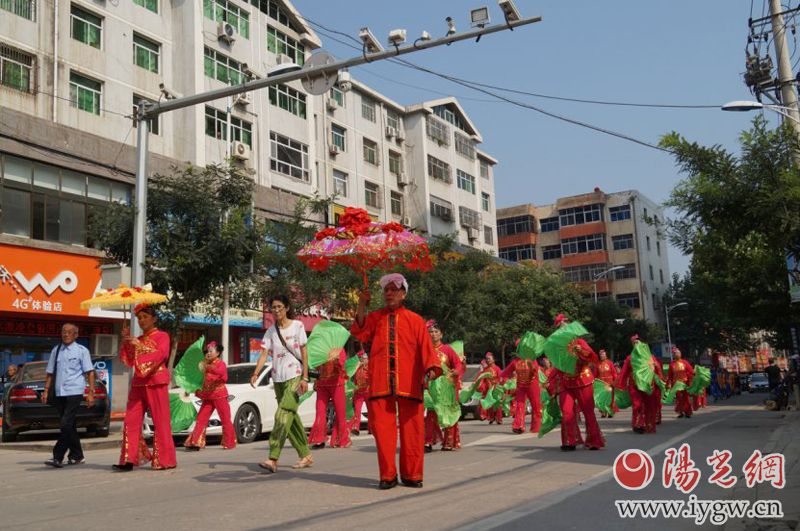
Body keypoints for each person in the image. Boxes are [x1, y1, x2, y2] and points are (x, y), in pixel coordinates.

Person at [351, 273, 441, 490]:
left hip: (409, 382)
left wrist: (430, 368)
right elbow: (360, 331)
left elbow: (426, 349)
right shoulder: (375, 317)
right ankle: (388, 476)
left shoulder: (415, 320)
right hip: (381, 381)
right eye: (386, 290)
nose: (389, 293)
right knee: (383, 432)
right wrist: (362, 304)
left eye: (394, 289)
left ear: (403, 293)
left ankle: (412, 474)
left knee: (413, 431)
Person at [250, 295, 313, 473]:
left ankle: (273, 457)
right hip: (278, 378)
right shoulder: (270, 331)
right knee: (291, 418)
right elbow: (263, 354)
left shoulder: (297, 326)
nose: (276, 310)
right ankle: (305, 454)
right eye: (273, 307)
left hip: (295, 375)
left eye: (279, 306)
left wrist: (305, 377)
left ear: (286, 307)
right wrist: (255, 373)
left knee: (282, 414)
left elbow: (304, 352)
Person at [115, 305, 176, 471]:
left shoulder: (163, 336)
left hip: (156, 382)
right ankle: (128, 459)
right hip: (138, 383)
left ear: (154, 319)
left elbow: (161, 354)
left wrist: (139, 345)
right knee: (130, 421)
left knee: (161, 421)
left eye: (145, 317)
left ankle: (165, 460)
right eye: (139, 318)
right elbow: (128, 360)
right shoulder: (139, 339)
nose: (142, 321)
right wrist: (127, 341)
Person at [42, 324, 95, 468]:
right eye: (63, 332)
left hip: (74, 391)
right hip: (59, 392)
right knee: (69, 425)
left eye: (69, 332)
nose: (65, 335)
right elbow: (50, 372)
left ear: (76, 335)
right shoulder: (56, 350)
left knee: (65, 424)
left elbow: (89, 372)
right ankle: (77, 455)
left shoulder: (82, 351)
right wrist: (46, 390)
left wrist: (91, 392)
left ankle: (57, 456)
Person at [550, 314, 604, 451]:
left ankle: (594, 441)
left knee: (588, 412)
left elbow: (593, 358)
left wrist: (582, 352)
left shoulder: (579, 342)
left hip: (582, 381)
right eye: (559, 329)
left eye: (564, 327)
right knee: (566, 411)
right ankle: (569, 441)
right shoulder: (557, 347)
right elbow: (557, 366)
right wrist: (549, 380)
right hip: (566, 383)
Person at [184, 342, 236, 451]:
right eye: (207, 351)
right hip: (208, 396)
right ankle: (195, 442)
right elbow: (198, 376)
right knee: (201, 418)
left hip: (219, 395)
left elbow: (222, 374)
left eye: (211, 351)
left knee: (225, 418)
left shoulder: (221, 364)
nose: (209, 353)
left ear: (217, 353)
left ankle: (229, 442)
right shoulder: (204, 363)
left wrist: (207, 366)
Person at [424, 320, 464, 452]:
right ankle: (428, 441)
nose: (433, 334)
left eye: (436, 332)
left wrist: (456, 371)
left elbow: (457, 364)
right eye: (431, 332)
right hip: (430, 386)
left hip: (446, 386)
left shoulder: (447, 349)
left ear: (441, 335)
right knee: (431, 412)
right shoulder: (425, 350)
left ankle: (449, 441)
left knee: (447, 412)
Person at [309, 348, 351, 449]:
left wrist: (336, 358)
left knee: (340, 413)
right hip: (322, 384)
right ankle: (319, 439)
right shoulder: (320, 348)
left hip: (337, 384)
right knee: (320, 411)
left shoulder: (339, 348)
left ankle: (341, 439)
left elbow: (342, 365)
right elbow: (314, 366)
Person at [617, 334, 659, 434]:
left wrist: (654, 367)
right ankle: (638, 425)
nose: (637, 344)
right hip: (634, 386)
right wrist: (617, 385)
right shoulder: (629, 358)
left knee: (649, 406)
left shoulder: (650, 357)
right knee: (637, 405)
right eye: (634, 343)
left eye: (638, 342)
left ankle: (647, 424)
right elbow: (623, 373)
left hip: (647, 385)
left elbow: (658, 370)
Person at [501, 352, 542, 434]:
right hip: (521, 386)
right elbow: (505, 373)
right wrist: (500, 381)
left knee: (536, 405)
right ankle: (519, 426)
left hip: (533, 385)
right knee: (520, 404)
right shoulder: (515, 362)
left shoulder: (532, 360)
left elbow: (536, 370)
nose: (519, 353)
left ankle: (536, 427)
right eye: (518, 350)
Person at [667, 347, 694, 418]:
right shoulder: (672, 364)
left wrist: (691, 377)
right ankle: (680, 412)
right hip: (676, 384)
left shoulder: (685, 362)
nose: (677, 354)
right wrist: (669, 383)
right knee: (679, 399)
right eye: (675, 353)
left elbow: (691, 371)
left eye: (678, 353)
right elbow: (670, 375)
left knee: (686, 398)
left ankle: (688, 412)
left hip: (684, 384)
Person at [477, 353, 503, 424]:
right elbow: (482, 378)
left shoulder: (497, 368)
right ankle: (491, 417)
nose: (488, 360)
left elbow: (500, 378)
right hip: (488, 389)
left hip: (496, 388)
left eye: (489, 359)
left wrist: (497, 384)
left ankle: (499, 419)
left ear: (493, 360)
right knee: (490, 404)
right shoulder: (485, 369)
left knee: (497, 404)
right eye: (487, 359)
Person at [348, 347, 369, 436]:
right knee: (357, 410)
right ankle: (356, 428)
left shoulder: (370, 368)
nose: (362, 360)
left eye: (364, 358)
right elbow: (353, 379)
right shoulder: (357, 368)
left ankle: (371, 428)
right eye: (361, 359)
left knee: (371, 411)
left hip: (368, 391)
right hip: (358, 392)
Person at [595, 349, 618, 418]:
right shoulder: (597, 364)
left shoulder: (610, 363)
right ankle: (603, 412)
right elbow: (595, 375)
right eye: (601, 354)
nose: (602, 355)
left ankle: (610, 412)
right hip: (601, 384)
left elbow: (614, 373)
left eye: (603, 354)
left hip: (609, 384)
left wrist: (615, 381)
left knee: (609, 399)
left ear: (606, 355)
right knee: (602, 399)